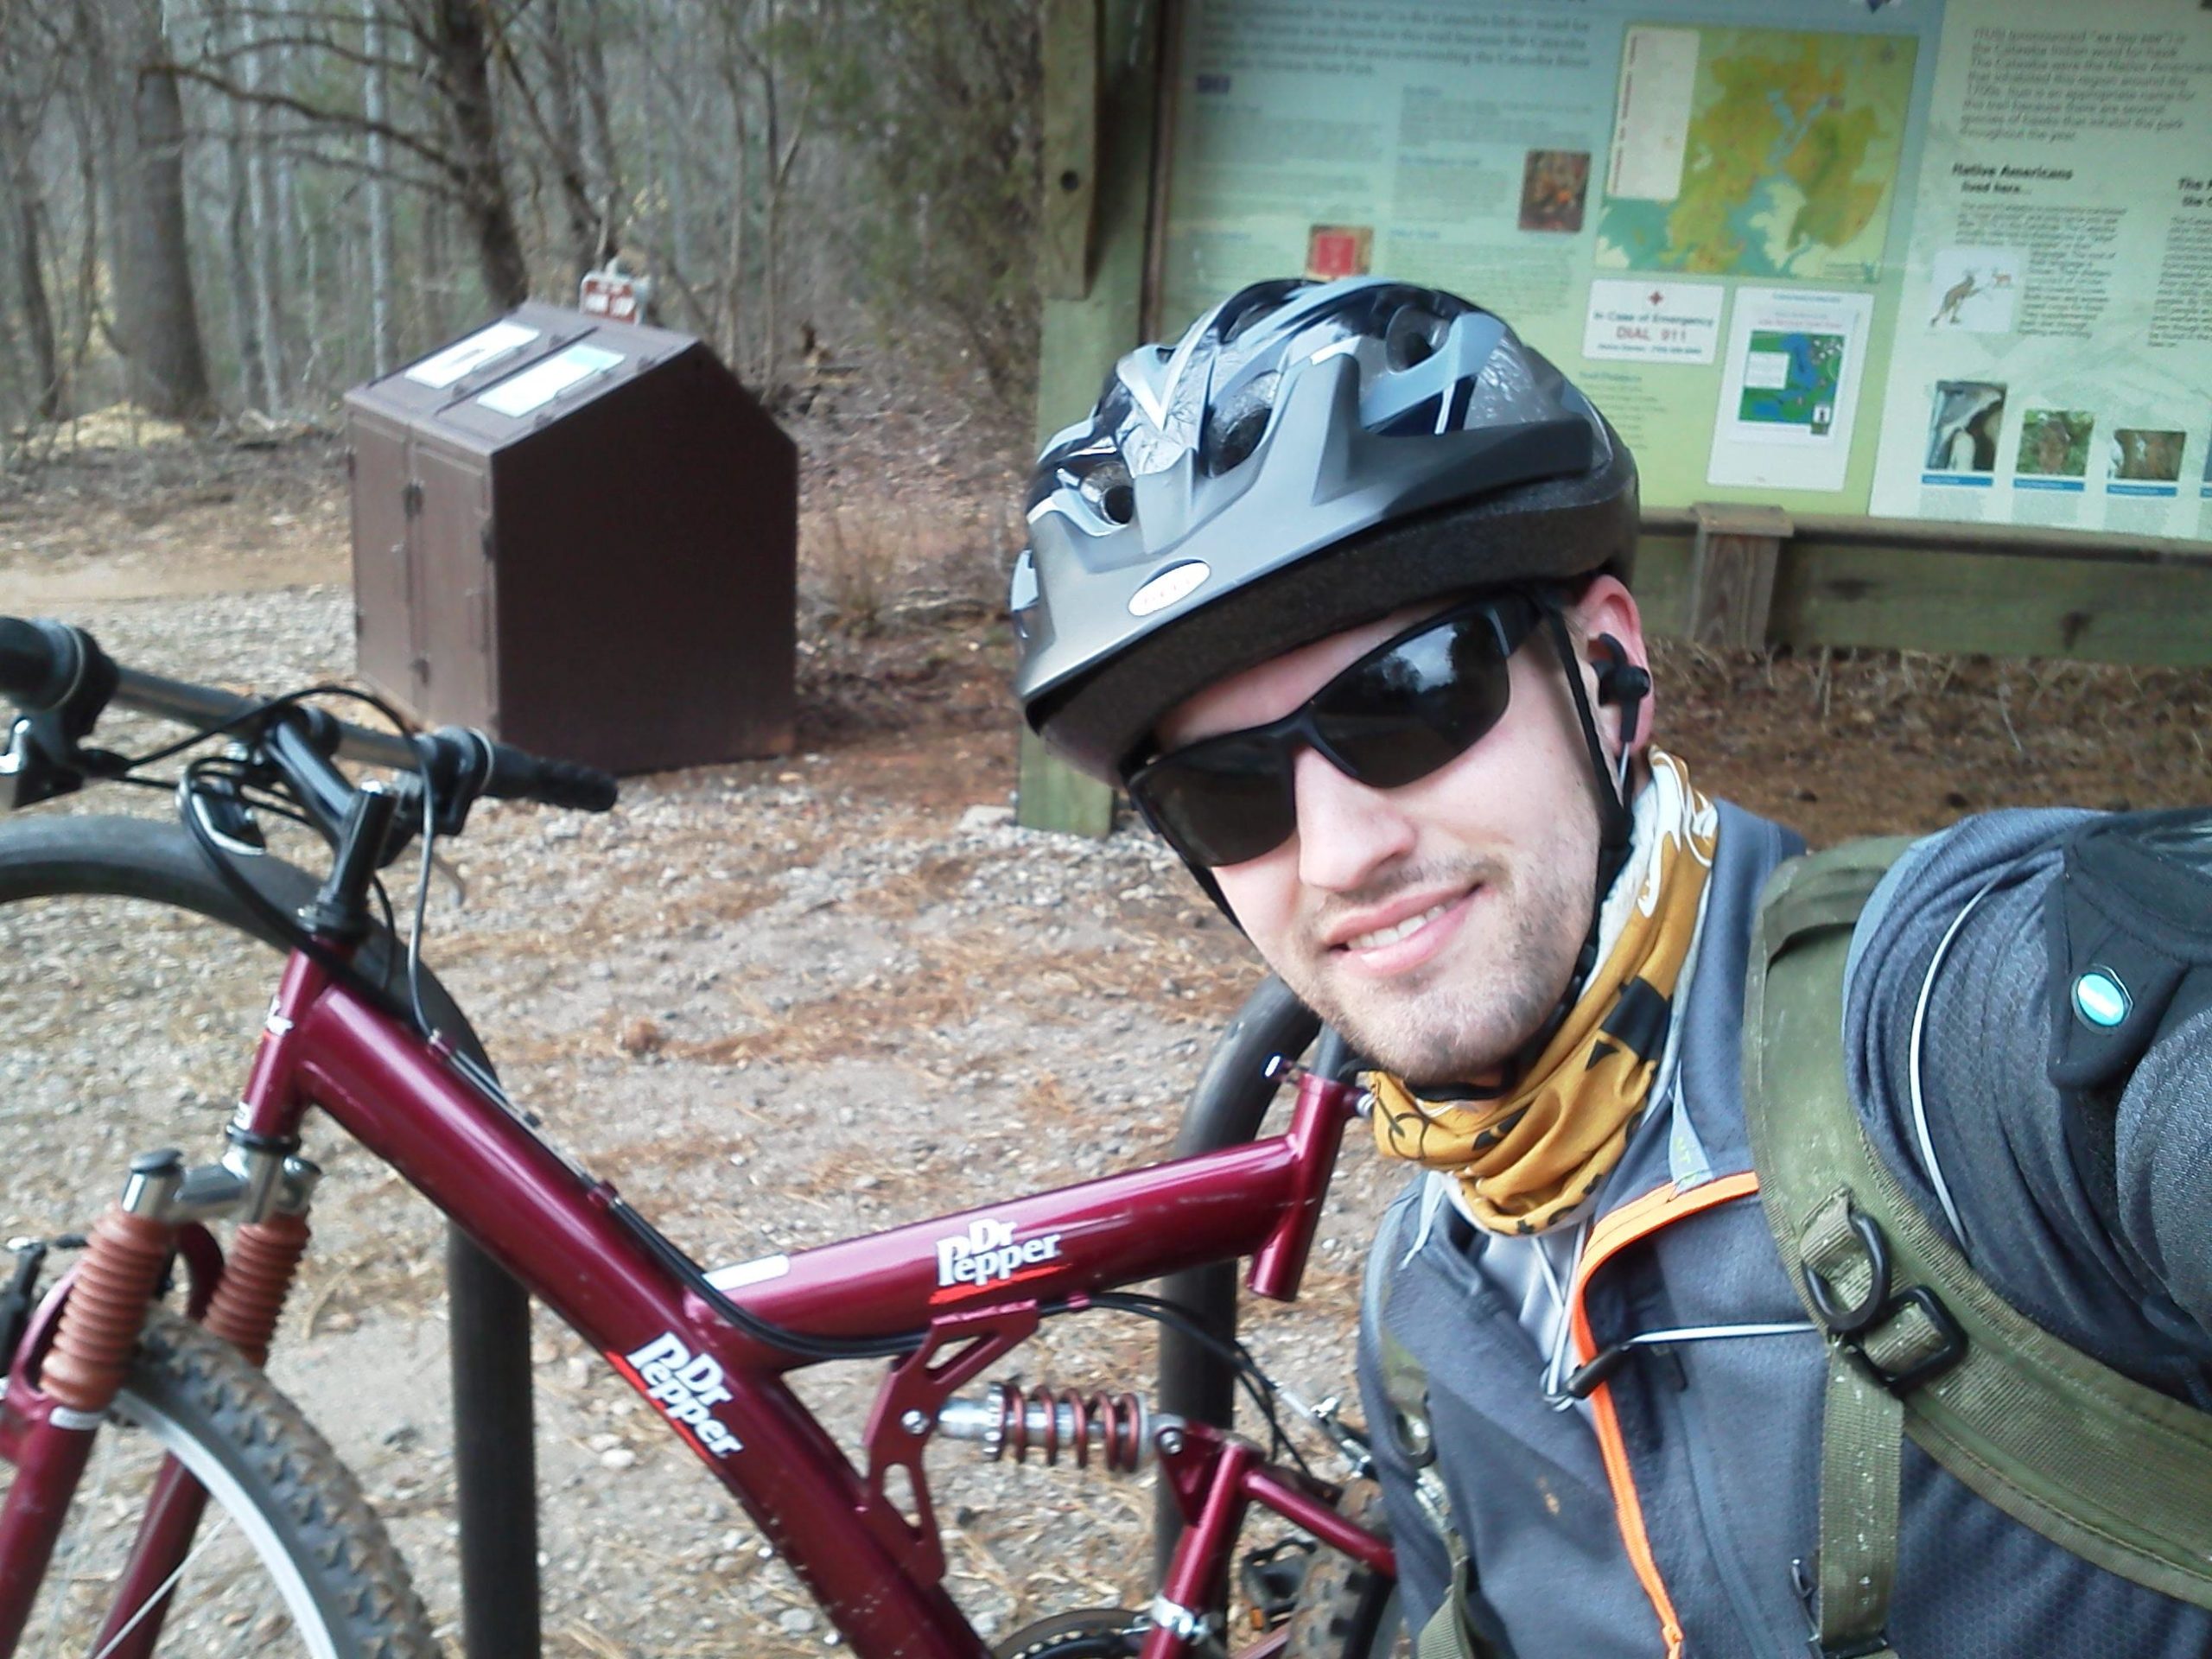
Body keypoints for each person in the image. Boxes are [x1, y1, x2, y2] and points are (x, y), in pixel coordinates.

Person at [1008, 276, 2212, 1657]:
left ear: (1607, 671)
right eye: (1227, 794)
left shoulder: (1951, 1043)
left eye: (1411, 698)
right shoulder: (1430, 1309)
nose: (1337, 850)